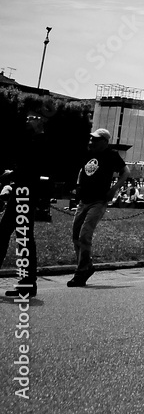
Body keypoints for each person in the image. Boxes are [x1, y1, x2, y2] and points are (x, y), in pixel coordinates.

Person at [68, 128, 129, 287]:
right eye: (91, 139)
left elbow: (125, 172)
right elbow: (82, 170)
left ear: (104, 142)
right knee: (75, 235)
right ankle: (86, 266)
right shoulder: (89, 154)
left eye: (95, 140)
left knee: (84, 234)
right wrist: (78, 186)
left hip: (98, 201)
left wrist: (114, 190)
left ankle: (81, 272)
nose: (91, 142)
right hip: (84, 200)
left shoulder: (111, 155)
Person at [0, 112, 47, 298]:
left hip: (25, 194)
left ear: (40, 121)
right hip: (22, 192)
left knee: (19, 237)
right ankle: (28, 282)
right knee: (17, 236)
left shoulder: (40, 142)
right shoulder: (34, 140)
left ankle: (28, 282)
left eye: (31, 118)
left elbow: (29, 169)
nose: (27, 120)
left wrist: (10, 175)